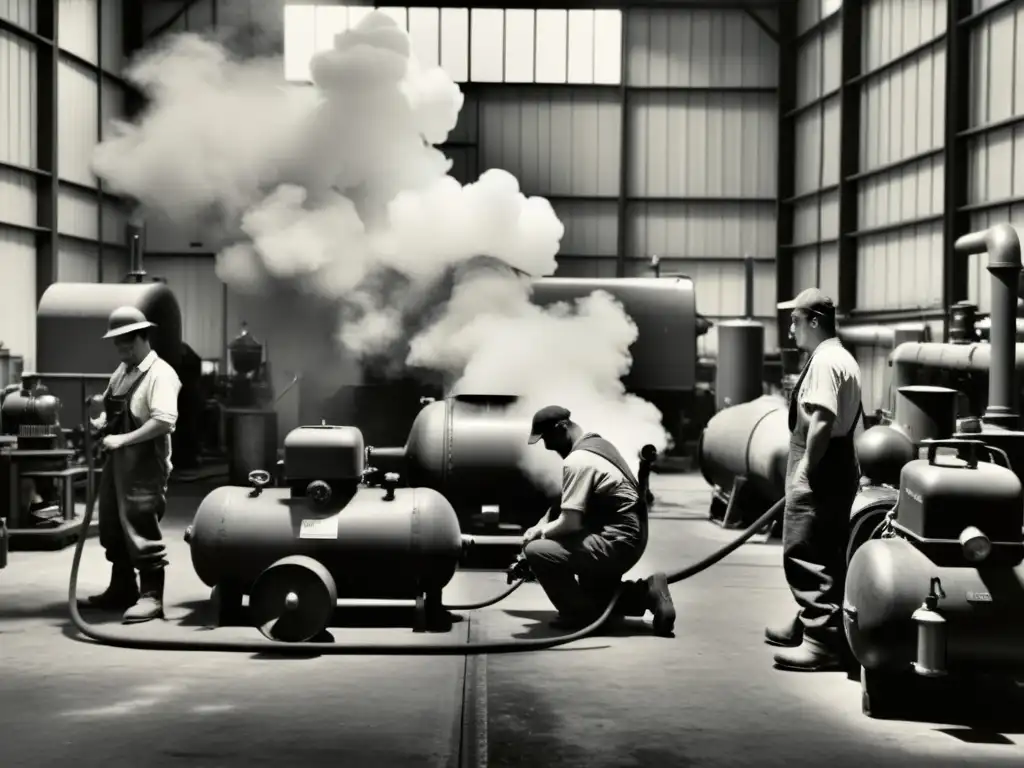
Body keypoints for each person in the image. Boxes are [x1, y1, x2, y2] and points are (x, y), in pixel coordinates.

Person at [766, 288, 863, 671]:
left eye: (796, 320)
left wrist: (806, 467)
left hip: (821, 464)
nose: (791, 329)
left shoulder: (824, 362)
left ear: (815, 321)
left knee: (805, 551)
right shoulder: (842, 357)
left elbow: (822, 419)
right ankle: (808, 623)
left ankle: (820, 641)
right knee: (828, 548)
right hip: (839, 464)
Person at [520, 405, 676, 637]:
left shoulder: (577, 460)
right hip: (631, 535)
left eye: (549, 441)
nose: (548, 447)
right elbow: (564, 504)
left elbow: (570, 523)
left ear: (562, 428)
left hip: (616, 543)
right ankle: (648, 592)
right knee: (594, 593)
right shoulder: (599, 446)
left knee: (538, 551)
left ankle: (580, 615)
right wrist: (541, 524)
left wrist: (536, 536)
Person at [79, 306, 182, 624]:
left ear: (143, 338)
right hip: (117, 463)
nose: (121, 350)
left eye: (126, 343)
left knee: (140, 524)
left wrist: (122, 440)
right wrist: (100, 420)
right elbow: (115, 412)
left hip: (144, 467)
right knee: (111, 524)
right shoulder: (123, 371)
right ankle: (122, 587)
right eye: (117, 343)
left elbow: (163, 422)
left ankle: (151, 596)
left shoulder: (161, 375)